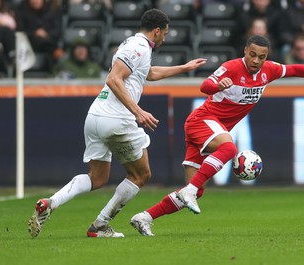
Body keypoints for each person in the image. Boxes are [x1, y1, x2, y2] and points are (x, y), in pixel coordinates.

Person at [130, 34, 304, 236]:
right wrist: (217, 84)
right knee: (229, 149)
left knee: (196, 191)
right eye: (252, 55)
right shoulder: (232, 67)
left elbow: (294, 70)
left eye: (261, 57)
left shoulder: (268, 71)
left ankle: (144, 217)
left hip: (211, 129)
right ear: (245, 51)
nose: (255, 60)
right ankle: (190, 190)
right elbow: (205, 86)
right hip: (202, 121)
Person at [27, 8, 206, 238]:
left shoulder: (134, 45)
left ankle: (50, 202)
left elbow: (147, 73)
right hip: (116, 118)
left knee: (97, 178)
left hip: (96, 116)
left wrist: (183, 68)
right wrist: (138, 111)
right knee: (141, 175)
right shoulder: (139, 47)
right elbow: (113, 79)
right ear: (157, 30)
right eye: (165, 34)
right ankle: (100, 225)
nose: (165, 38)